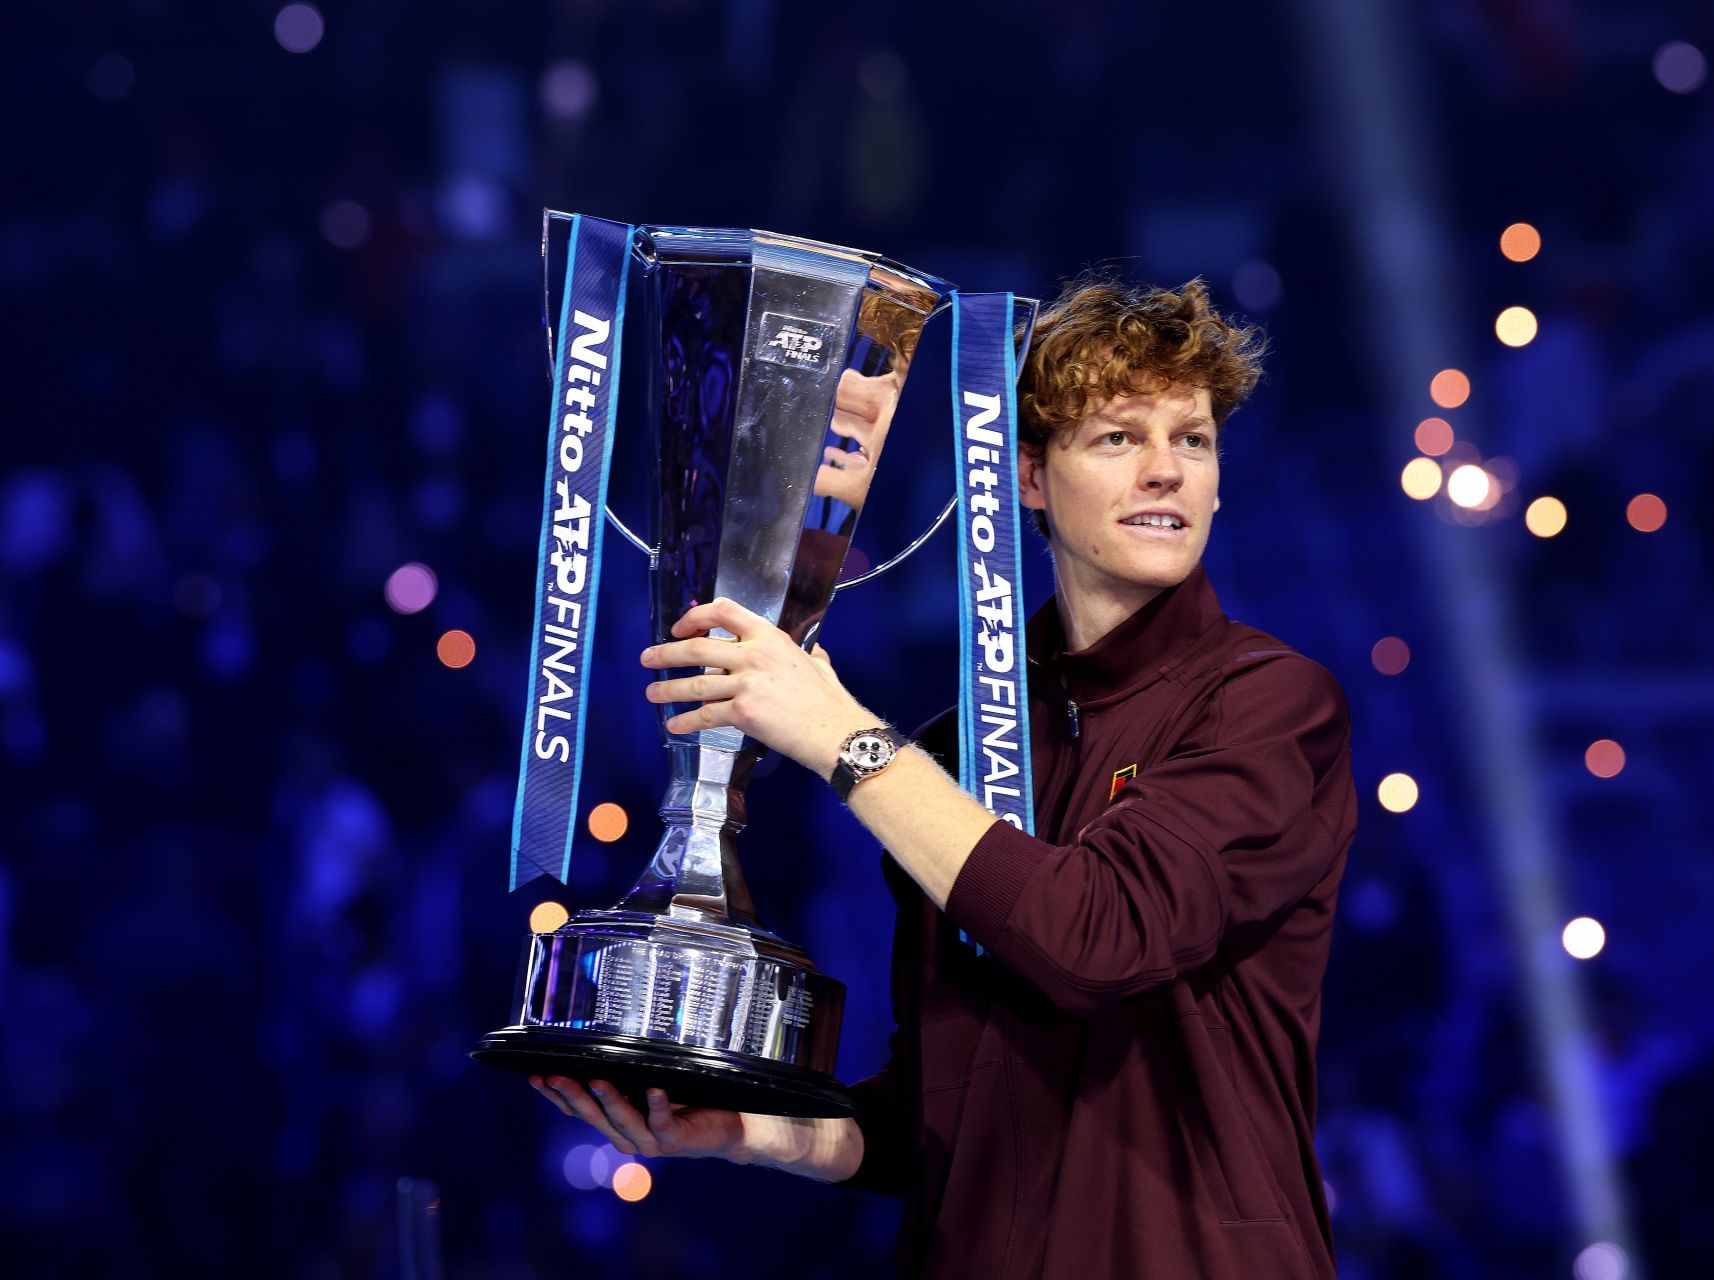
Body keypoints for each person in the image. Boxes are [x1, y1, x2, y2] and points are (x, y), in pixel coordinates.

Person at [533, 272, 1357, 1279]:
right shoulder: (959, 751)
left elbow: (1095, 935)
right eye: (1117, 438)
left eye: (1192, 439)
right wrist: (764, 1127)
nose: (1166, 472)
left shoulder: (1270, 705)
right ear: (1027, 477)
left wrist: (844, 736)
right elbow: (949, 1109)